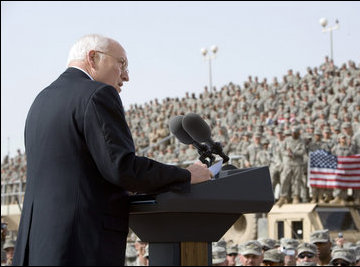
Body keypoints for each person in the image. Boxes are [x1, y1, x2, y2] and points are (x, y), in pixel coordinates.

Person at [12, 34, 212, 266]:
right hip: (81, 246)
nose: (126, 76)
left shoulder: (41, 100)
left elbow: (76, 170)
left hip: (38, 245)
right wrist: (187, 176)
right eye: (122, 64)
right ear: (93, 58)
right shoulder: (97, 94)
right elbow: (121, 168)